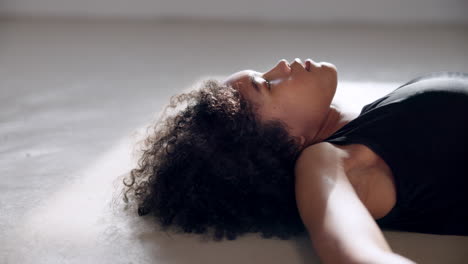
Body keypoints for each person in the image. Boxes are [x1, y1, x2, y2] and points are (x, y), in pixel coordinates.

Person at [120, 58, 467, 263]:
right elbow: (350, 248)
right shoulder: (323, 162)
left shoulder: (368, 120)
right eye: (269, 84)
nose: (282, 66)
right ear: (285, 140)